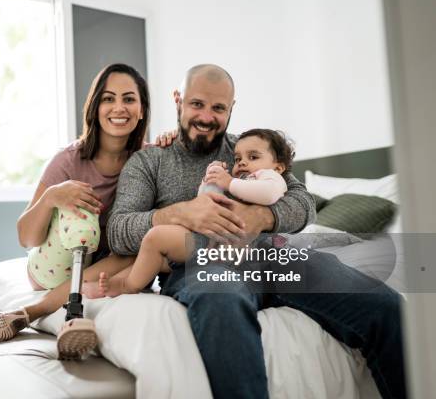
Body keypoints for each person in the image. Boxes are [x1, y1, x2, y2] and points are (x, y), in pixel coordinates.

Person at [106, 64, 407, 398]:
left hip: (273, 255)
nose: (207, 116)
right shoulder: (149, 162)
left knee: (386, 306)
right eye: (197, 104)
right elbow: (119, 229)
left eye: (218, 108)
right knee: (221, 307)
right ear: (178, 100)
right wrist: (181, 214)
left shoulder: (248, 148)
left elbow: (303, 203)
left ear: (231, 109)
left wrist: (262, 217)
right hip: (203, 263)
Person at [0, 63, 152, 358]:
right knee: (80, 204)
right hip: (54, 265)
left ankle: (42, 312)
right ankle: (40, 311)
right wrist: (51, 197)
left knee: (142, 242)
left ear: (141, 109)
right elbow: (26, 238)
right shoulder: (68, 159)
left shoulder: (148, 159)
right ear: (95, 106)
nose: (119, 108)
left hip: (106, 262)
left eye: (129, 99)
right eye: (108, 98)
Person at [84, 128, 292, 298]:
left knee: (157, 239)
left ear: (279, 166)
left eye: (253, 157)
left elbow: (268, 195)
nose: (243, 163)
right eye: (238, 159)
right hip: (212, 245)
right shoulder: (239, 181)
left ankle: (126, 284)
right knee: (154, 249)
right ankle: (119, 284)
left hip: (246, 252)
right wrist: (209, 181)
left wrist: (229, 182)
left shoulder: (270, 179)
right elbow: (204, 200)